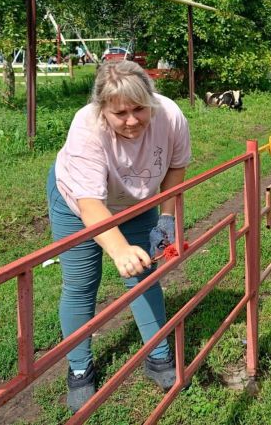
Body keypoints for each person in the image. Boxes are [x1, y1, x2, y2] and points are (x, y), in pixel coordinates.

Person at [46, 60, 191, 412]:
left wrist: (168, 217)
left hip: (138, 199)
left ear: (151, 100)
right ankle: (79, 368)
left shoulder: (170, 115)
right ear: (102, 111)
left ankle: (156, 354)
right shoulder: (86, 127)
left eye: (139, 109)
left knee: (144, 276)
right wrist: (119, 248)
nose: (131, 120)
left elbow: (175, 166)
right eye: (120, 113)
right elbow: (90, 204)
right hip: (78, 203)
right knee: (81, 282)